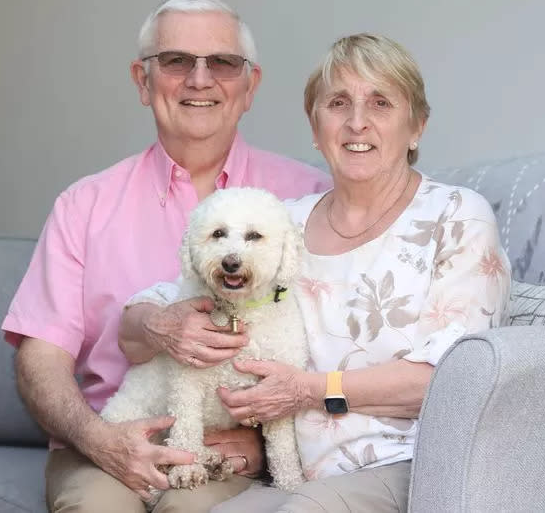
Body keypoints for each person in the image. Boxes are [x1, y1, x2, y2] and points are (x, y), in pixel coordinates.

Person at [121, 33, 511, 512]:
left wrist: (305, 392)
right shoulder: (283, 222)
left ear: (417, 128)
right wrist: (156, 324)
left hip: (407, 461)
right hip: (286, 466)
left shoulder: (456, 217)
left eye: (381, 103)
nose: (357, 122)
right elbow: (166, 298)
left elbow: (456, 378)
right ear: (315, 125)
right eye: (338, 103)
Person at [1, 0, 331, 513]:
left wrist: (263, 446)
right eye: (176, 61)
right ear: (142, 80)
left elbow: (341, 348)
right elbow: (38, 359)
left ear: (251, 85)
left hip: (236, 449)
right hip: (106, 439)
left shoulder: (308, 199)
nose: (200, 80)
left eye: (222, 62)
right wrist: (100, 441)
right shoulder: (84, 205)